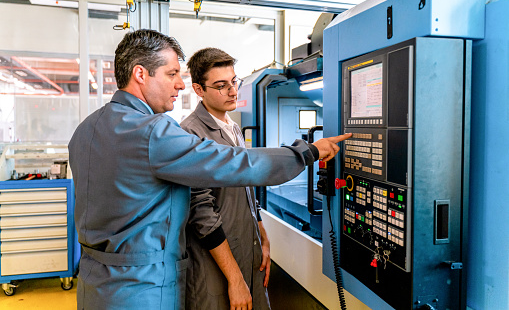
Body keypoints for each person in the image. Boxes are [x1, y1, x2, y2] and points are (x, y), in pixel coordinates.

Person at [68, 29, 351, 310]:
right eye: (171, 74)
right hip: (143, 289)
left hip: (95, 286)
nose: (180, 84)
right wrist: (308, 151)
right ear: (140, 74)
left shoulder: (85, 130)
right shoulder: (153, 132)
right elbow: (235, 164)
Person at [181, 48, 270, 309]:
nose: (233, 91)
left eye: (234, 82)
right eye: (221, 86)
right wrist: (235, 278)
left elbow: (245, 188)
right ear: (198, 89)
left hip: (247, 247)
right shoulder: (191, 134)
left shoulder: (232, 126)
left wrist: (261, 232)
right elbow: (201, 212)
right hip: (217, 264)